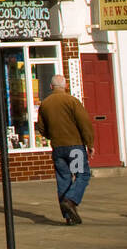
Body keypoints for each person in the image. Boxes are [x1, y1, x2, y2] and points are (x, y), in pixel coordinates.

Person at [35, 75, 95, 225]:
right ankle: (71, 201)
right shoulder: (72, 101)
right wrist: (90, 143)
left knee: (63, 179)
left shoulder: (45, 104)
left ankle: (68, 217)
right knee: (82, 174)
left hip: (58, 148)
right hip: (74, 147)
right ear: (65, 85)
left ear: (51, 87)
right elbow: (84, 123)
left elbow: (41, 127)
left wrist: (51, 136)